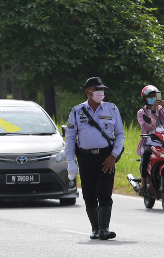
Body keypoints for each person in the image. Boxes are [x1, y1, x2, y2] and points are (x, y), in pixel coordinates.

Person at [65, 77, 124, 240]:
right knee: (89, 193)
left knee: (104, 192)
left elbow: (120, 134)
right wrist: (71, 161)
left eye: (101, 89)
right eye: (96, 89)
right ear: (87, 92)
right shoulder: (77, 111)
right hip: (85, 157)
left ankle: (104, 228)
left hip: (106, 157)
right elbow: (70, 137)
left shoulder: (112, 109)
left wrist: (113, 156)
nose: (100, 92)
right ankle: (95, 228)